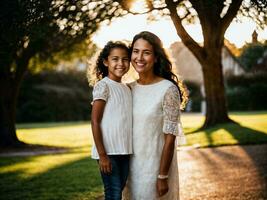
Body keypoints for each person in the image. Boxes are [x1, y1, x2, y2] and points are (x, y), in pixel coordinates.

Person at [123, 31, 188, 200]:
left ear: (156, 57)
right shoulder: (127, 89)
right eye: (136, 51)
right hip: (129, 168)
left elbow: (170, 139)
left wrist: (162, 176)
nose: (139, 57)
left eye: (146, 52)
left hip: (154, 169)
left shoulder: (168, 90)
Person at [90, 41, 132, 200]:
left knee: (118, 192)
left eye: (125, 59)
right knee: (113, 194)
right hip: (108, 152)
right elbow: (95, 121)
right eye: (115, 59)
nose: (120, 63)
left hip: (125, 151)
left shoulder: (127, 89)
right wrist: (102, 155)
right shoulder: (103, 86)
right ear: (106, 61)